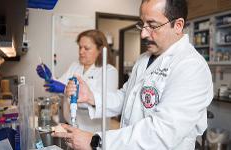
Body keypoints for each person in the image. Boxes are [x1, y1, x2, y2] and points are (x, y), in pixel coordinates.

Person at [52, 0, 213, 149]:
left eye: (152, 25)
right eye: (142, 24)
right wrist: (91, 97)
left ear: (178, 25)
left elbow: (161, 132)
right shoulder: (144, 59)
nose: (143, 34)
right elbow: (126, 98)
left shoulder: (191, 67)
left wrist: (96, 141)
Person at [36, 29, 118, 132]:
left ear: (100, 50)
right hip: (71, 126)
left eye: (86, 48)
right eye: (80, 47)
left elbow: (103, 103)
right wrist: (49, 77)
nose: (81, 51)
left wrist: (65, 89)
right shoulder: (75, 66)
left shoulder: (109, 71)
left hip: (93, 132)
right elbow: (59, 85)